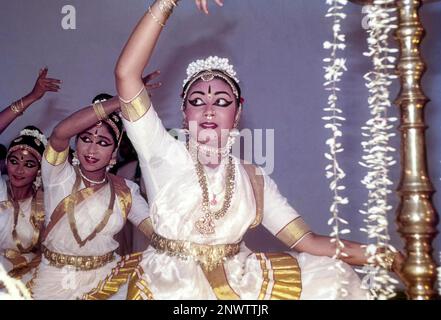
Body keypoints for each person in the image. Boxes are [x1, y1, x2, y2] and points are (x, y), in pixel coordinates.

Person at [114, 0, 405, 300]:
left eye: (222, 102)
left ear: (237, 113)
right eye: (197, 101)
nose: (209, 111)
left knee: (333, 278)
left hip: (241, 282)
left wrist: (384, 255)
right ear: (184, 113)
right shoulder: (161, 153)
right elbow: (126, 74)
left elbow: (308, 241)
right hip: (170, 286)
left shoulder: (253, 178)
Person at [28, 76, 157, 300]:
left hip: (106, 279)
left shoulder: (125, 190)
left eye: (103, 143)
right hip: (54, 280)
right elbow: (59, 133)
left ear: (114, 153)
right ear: (75, 143)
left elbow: (154, 230)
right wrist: (121, 100)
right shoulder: (58, 175)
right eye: (86, 139)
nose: (92, 149)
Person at [0, 68, 60, 286]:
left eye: (29, 164)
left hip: (28, 281)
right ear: (6, 162)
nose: (19, 169)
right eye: (14, 161)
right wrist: (32, 97)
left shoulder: (45, 202)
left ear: (38, 170)